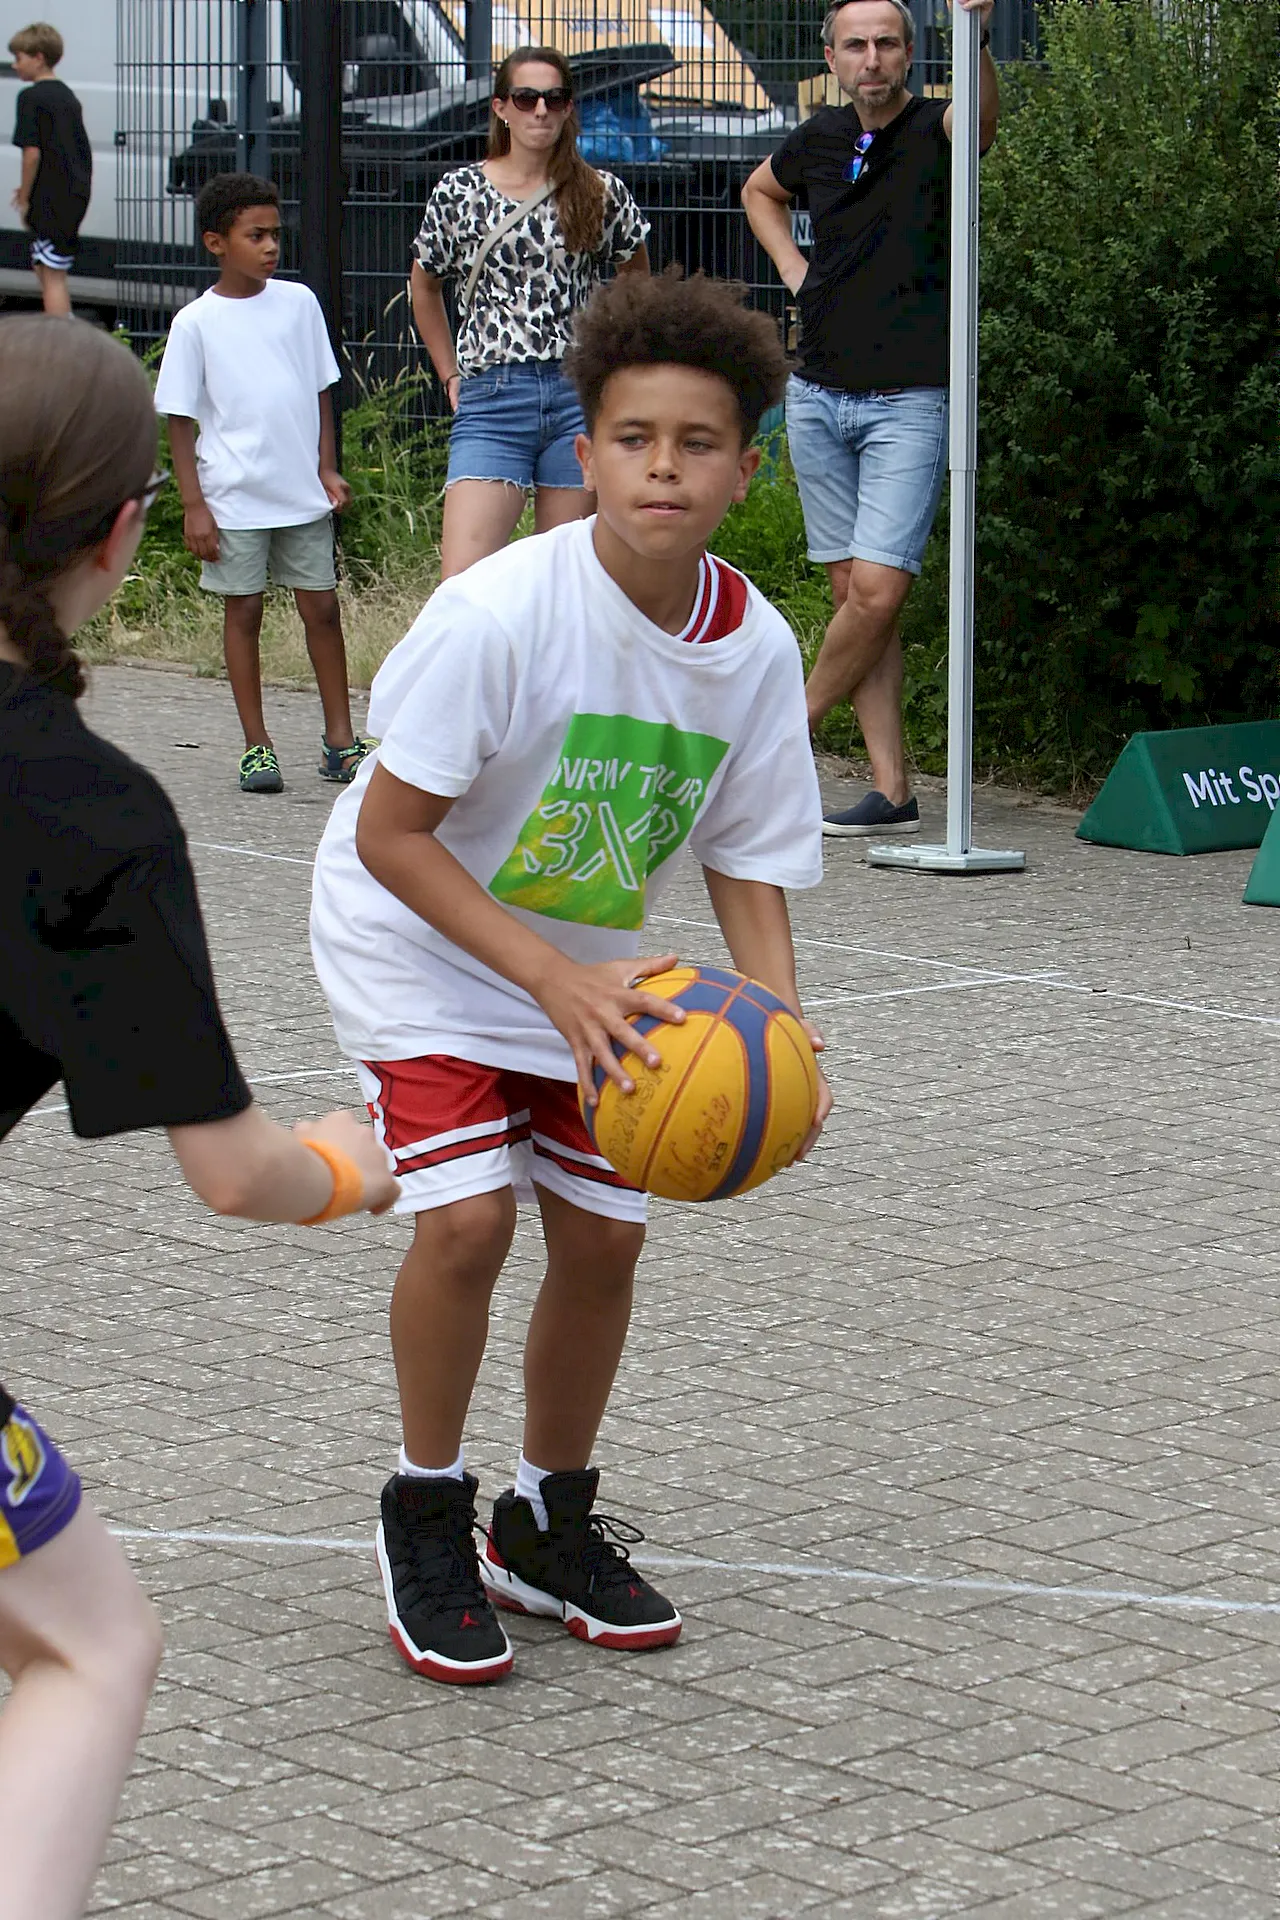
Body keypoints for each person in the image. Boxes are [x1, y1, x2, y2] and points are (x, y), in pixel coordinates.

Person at [310, 268, 832, 1686]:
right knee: (469, 1221)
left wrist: (782, 1031)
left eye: (698, 443)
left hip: (587, 966)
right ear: (585, 452)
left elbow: (746, 856)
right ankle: (428, 1508)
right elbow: (391, 835)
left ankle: (543, 1519)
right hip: (417, 937)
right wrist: (547, 980)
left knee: (605, 1240)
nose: (663, 467)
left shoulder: (755, 647)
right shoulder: (501, 614)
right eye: (633, 438)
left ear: (745, 467)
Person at [0, 313, 399, 1920]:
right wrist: (358, 1166)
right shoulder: (85, 811)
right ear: (122, 534)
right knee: (90, 1646)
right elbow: (236, 1174)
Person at [742, 0, 998, 838]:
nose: (872, 58)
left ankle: (780, 735)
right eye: (856, 45)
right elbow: (758, 191)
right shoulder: (817, 137)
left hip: (910, 398)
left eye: (887, 43)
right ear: (832, 58)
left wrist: (978, 36)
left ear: (911, 53)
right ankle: (891, 790)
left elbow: (982, 122)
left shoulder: (936, 127)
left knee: (880, 590)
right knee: (857, 595)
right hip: (819, 394)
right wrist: (795, 269)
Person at [153, 172, 371, 796]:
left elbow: (321, 391)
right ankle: (258, 747)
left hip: (299, 493)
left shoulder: (299, 304)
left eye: (276, 234)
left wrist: (326, 467)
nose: (272, 246)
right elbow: (179, 419)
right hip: (233, 499)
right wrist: (194, 505)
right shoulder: (195, 323)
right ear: (216, 242)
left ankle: (340, 742)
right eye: (256, 236)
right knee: (244, 610)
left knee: (321, 609)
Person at [409, 44, 650, 580]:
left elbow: (637, 280)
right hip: (493, 395)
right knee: (463, 582)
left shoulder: (598, 191)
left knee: (563, 580)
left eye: (554, 99)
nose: (541, 110)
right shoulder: (460, 192)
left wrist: (615, 362)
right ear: (501, 108)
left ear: (568, 109)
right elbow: (423, 286)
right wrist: (449, 372)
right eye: (526, 98)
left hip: (575, 394)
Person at [7, 20, 90, 318]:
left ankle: (60, 336)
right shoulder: (67, 97)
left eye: (19, 58)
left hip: (50, 201)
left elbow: (32, 154)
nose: (14, 65)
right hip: (72, 196)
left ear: (38, 57)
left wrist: (25, 196)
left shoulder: (30, 98)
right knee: (45, 266)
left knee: (52, 276)